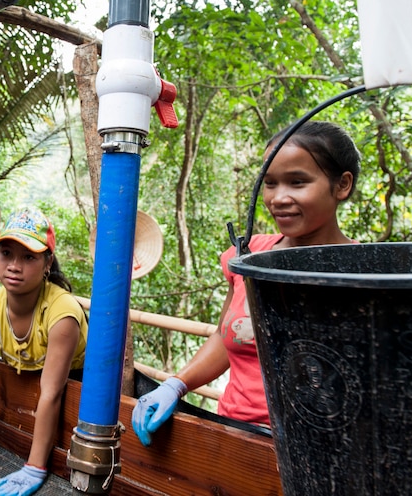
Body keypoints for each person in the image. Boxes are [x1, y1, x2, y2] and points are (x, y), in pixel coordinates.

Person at [132, 120, 361, 446]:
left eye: (297, 182)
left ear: (342, 185)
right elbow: (228, 336)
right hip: (233, 439)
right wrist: (176, 384)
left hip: (321, 453)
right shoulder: (247, 258)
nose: (279, 197)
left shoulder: (366, 275)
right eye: (269, 183)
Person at [0, 207, 88, 496]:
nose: (14, 266)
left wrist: (34, 466)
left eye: (29, 257)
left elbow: (52, 392)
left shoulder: (62, 314)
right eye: (6, 253)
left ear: (47, 263)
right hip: (28, 386)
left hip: (74, 384)